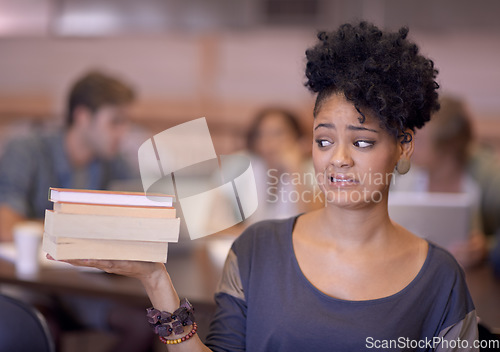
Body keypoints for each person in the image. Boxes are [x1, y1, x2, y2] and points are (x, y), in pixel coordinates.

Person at [57, 22, 478, 351]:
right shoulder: (257, 250)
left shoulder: (439, 278)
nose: (339, 159)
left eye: (363, 142)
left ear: (403, 148)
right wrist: (155, 280)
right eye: (324, 140)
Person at [0, 71, 155, 352]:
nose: (124, 133)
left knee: (144, 325)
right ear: (83, 117)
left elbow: (143, 210)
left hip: (82, 283)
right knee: (41, 328)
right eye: (115, 122)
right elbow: (8, 227)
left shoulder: (112, 162)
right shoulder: (26, 150)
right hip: (29, 281)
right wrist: (87, 228)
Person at [392, 96, 488, 267]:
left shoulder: (486, 179)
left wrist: (485, 247)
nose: (408, 144)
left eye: (418, 140)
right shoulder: (403, 178)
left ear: (447, 147)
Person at [246, 107, 321, 222]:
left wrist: (295, 170)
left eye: (277, 134)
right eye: (261, 135)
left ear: (297, 138)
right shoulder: (255, 168)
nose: (268, 142)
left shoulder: (314, 171)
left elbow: (311, 221)